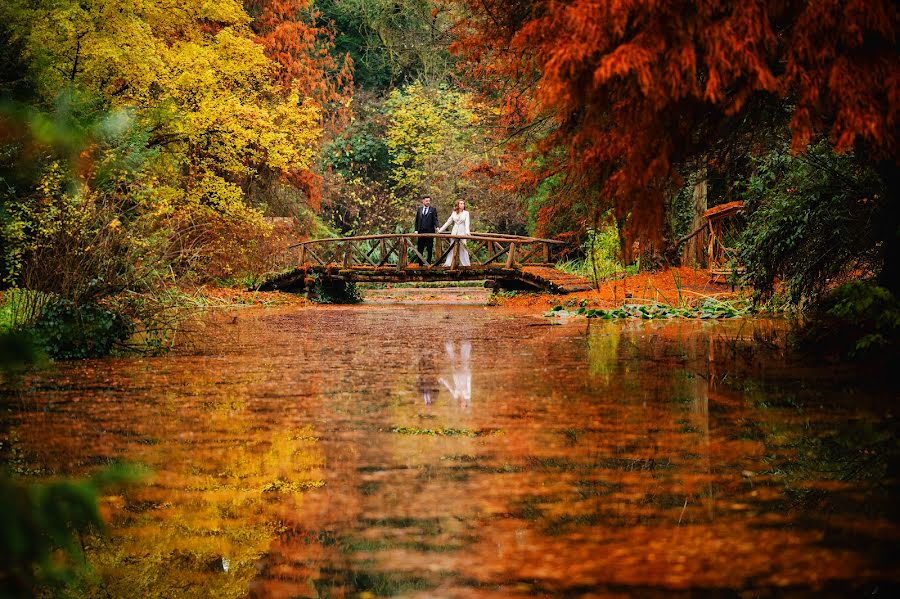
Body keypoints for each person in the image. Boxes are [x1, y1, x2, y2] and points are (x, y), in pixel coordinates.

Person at [436, 199, 471, 267]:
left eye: (463, 203)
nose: (462, 205)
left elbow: (467, 223)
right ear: (457, 205)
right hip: (454, 232)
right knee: (452, 247)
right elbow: (448, 222)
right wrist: (440, 231)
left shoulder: (466, 213)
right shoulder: (454, 213)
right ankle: (450, 263)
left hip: (462, 232)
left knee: (463, 247)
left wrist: (467, 232)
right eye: (461, 203)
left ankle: (465, 264)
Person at [413, 196, 438, 265]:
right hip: (421, 231)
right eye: (426, 201)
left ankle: (428, 263)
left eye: (429, 201)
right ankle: (420, 263)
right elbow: (417, 220)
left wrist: (437, 227)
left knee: (429, 248)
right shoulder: (419, 210)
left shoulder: (433, 210)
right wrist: (416, 230)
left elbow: (435, 219)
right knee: (420, 247)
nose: (428, 202)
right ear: (423, 201)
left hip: (430, 232)